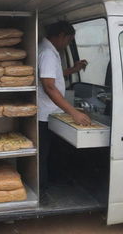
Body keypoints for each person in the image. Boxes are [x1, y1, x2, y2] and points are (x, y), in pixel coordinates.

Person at [38, 21, 91, 191]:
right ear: (61, 35)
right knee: (43, 156)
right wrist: (73, 112)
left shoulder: (49, 51)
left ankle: (51, 184)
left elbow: (51, 76)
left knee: (53, 153)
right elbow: (49, 86)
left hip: (51, 113)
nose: (67, 44)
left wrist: (72, 70)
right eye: (69, 40)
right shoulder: (47, 52)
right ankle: (42, 193)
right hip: (45, 115)